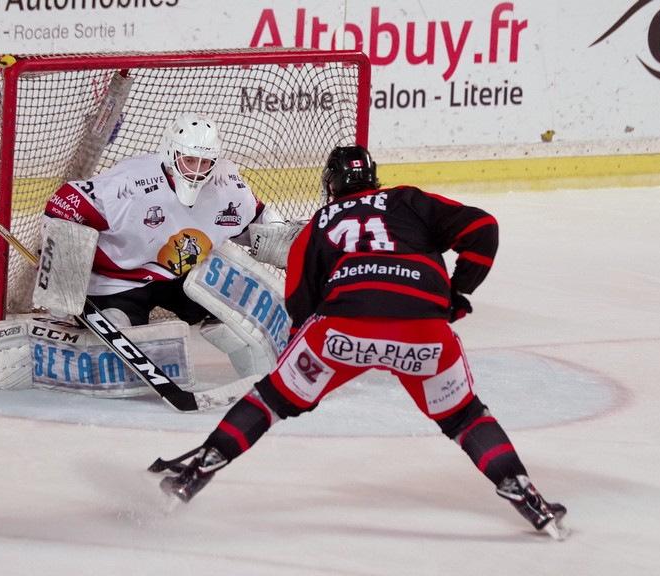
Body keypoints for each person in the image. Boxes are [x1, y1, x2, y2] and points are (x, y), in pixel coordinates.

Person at [151, 145, 568, 540]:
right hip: (423, 332)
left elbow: (300, 306)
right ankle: (528, 498)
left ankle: (195, 474)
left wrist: (297, 385)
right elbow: (482, 228)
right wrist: (457, 293)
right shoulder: (407, 200)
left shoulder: (319, 224)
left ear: (331, 183)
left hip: (341, 332)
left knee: (269, 401)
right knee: (465, 418)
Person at [43, 112, 283, 329]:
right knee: (120, 330)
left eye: (205, 162)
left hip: (183, 274)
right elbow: (64, 204)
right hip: (118, 280)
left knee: (236, 316)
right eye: (190, 160)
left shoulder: (226, 186)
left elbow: (258, 221)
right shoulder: (130, 183)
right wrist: (59, 274)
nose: (197, 171)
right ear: (171, 152)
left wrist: (284, 245)